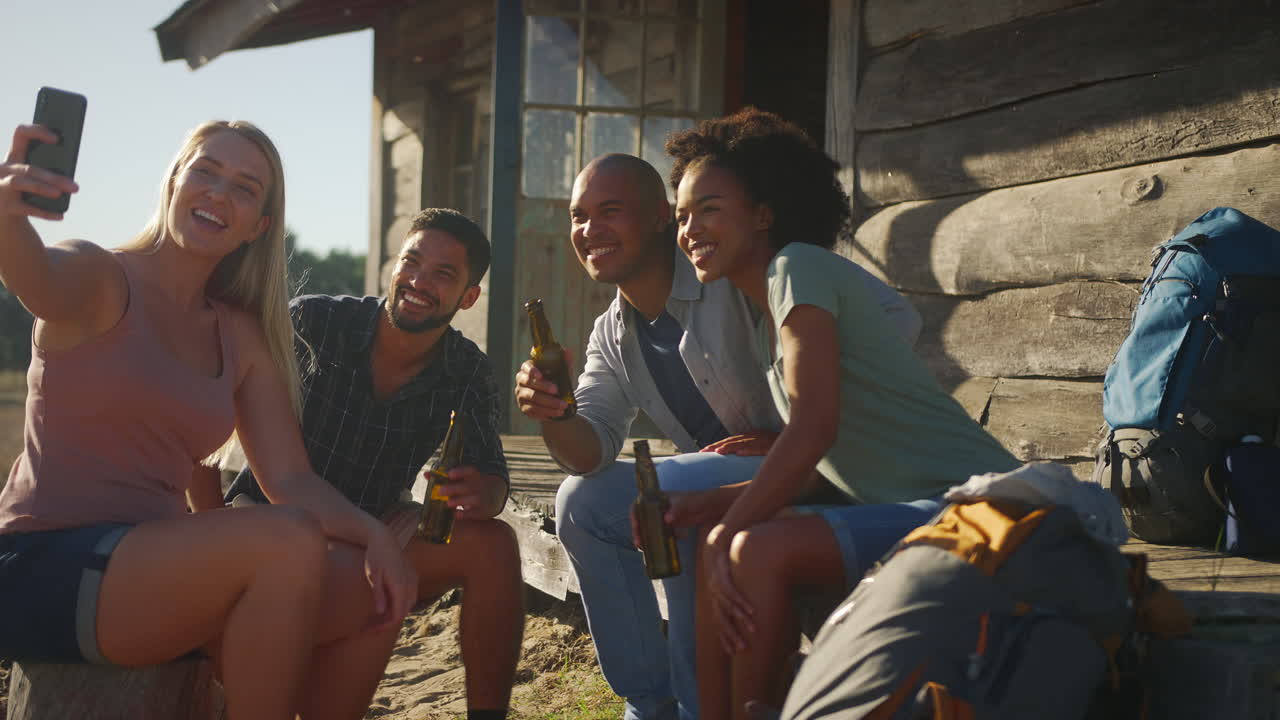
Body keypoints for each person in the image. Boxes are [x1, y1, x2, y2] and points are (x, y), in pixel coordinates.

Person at [0, 120, 417, 720]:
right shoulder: (96, 273)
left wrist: (378, 536)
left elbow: (292, 482)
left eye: (246, 189)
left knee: (367, 587)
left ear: (260, 226)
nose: (219, 193)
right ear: (174, 180)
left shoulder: (241, 335)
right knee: (289, 539)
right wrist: (11, 217)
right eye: (205, 171)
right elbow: (33, 276)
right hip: (45, 566)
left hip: (151, 571)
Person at [512, 153, 921, 720]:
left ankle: (702, 707)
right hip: (731, 485)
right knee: (581, 501)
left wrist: (793, 430)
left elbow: (895, 318)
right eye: (578, 217)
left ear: (661, 216)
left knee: (673, 493)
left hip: (830, 471)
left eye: (610, 211)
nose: (589, 231)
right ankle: (649, 704)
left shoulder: (731, 271)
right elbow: (589, 453)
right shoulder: (612, 333)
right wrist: (553, 413)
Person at [664, 107, 1022, 720]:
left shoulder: (796, 268)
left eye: (709, 208)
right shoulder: (766, 316)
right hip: (910, 509)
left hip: (980, 507)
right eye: (681, 215)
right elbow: (829, 459)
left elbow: (812, 431)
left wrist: (731, 527)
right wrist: (717, 504)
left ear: (763, 214)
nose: (690, 228)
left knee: (752, 548)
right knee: (710, 538)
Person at [210, 208, 524, 720]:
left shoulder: (466, 368)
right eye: (412, 261)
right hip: (274, 530)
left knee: (494, 543)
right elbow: (207, 411)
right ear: (392, 266)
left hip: (377, 538)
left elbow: (492, 480)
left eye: (444, 274)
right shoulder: (313, 321)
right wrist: (207, 526)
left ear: (468, 297)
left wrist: (478, 491)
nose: (420, 281)